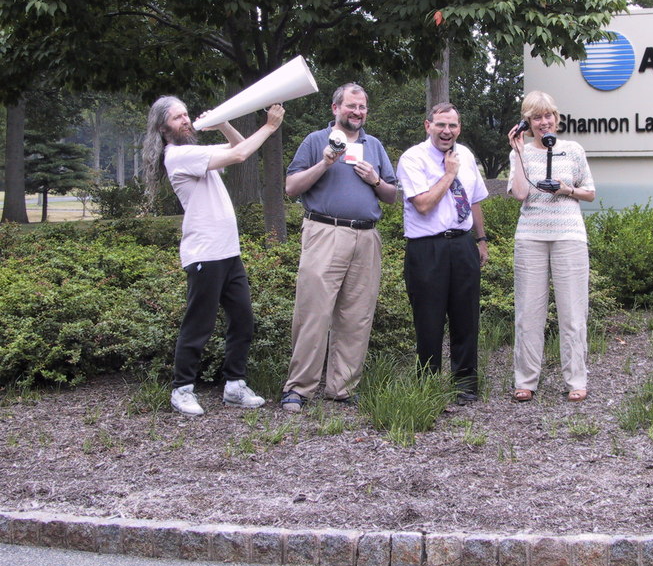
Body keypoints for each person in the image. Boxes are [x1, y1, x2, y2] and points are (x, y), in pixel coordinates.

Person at [141, 96, 284, 416]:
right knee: (199, 324)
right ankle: (182, 389)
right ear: (164, 127)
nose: (186, 120)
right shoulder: (178, 155)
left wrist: (223, 124)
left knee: (243, 319)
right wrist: (270, 126)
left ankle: (234, 386)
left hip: (228, 252)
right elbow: (241, 154)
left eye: (186, 114)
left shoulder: (196, 153)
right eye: (178, 118)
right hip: (205, 253)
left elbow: (239, 148)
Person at [280, 83, 397, 412]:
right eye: (351, 106)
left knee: (356, 315)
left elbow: (391, 196)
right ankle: (299, 388)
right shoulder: (315, 141)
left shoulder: (374, 146)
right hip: (324, 232)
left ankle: (342, 387)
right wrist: (325, 164)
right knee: (313, 313)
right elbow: (291, 188)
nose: (358, 112)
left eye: (362, 107)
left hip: (366, 237)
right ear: (335, 108)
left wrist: (375, 179)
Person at [396, 102, 489, 405]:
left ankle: (465, 385)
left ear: (459, 128)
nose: (447, 131)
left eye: (452, 126)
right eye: (440, 125)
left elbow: (474, 200)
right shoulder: (413, 158)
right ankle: (428, 385)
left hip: (462, 244)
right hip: (427, 248)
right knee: (429, 320)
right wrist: (449, 174)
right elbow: (423, 204)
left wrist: (481, 239)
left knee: (466, 317)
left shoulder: (467, 156)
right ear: (428, 126)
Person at [506, 90, 595, 403]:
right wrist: (517, 153)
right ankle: (526, 380)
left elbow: (590, 192)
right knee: (528, 313)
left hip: (569, 236)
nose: (543, 122)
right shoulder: (520, 152)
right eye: (536, 117)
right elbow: (519, 194)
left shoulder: (572, 150)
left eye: (548, 116)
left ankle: (576, 380)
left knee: (573, 312)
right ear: (526, 122)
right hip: (530, 237)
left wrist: (566, 189)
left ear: (556, 118)